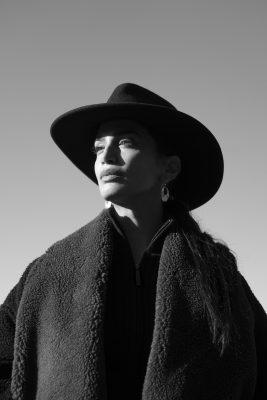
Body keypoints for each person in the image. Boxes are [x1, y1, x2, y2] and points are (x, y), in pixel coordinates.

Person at [0, 83, 266, 400]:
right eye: (98, 149)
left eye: (126, 142)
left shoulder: (218, 276)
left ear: (168, 168)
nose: (106, 157)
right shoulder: (48, 273)